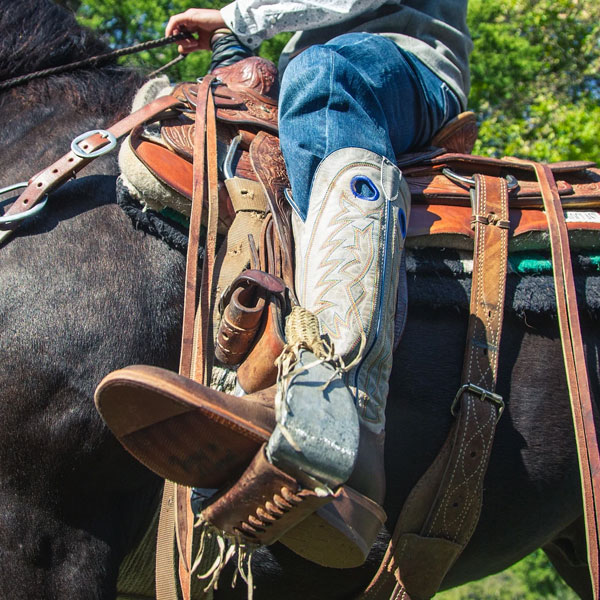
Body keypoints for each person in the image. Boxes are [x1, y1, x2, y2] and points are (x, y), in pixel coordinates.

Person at [97, 0, 471, 569]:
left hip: (404, 66)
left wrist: (240, 18)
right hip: (300, 67)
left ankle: (345, 410)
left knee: (327, 79)